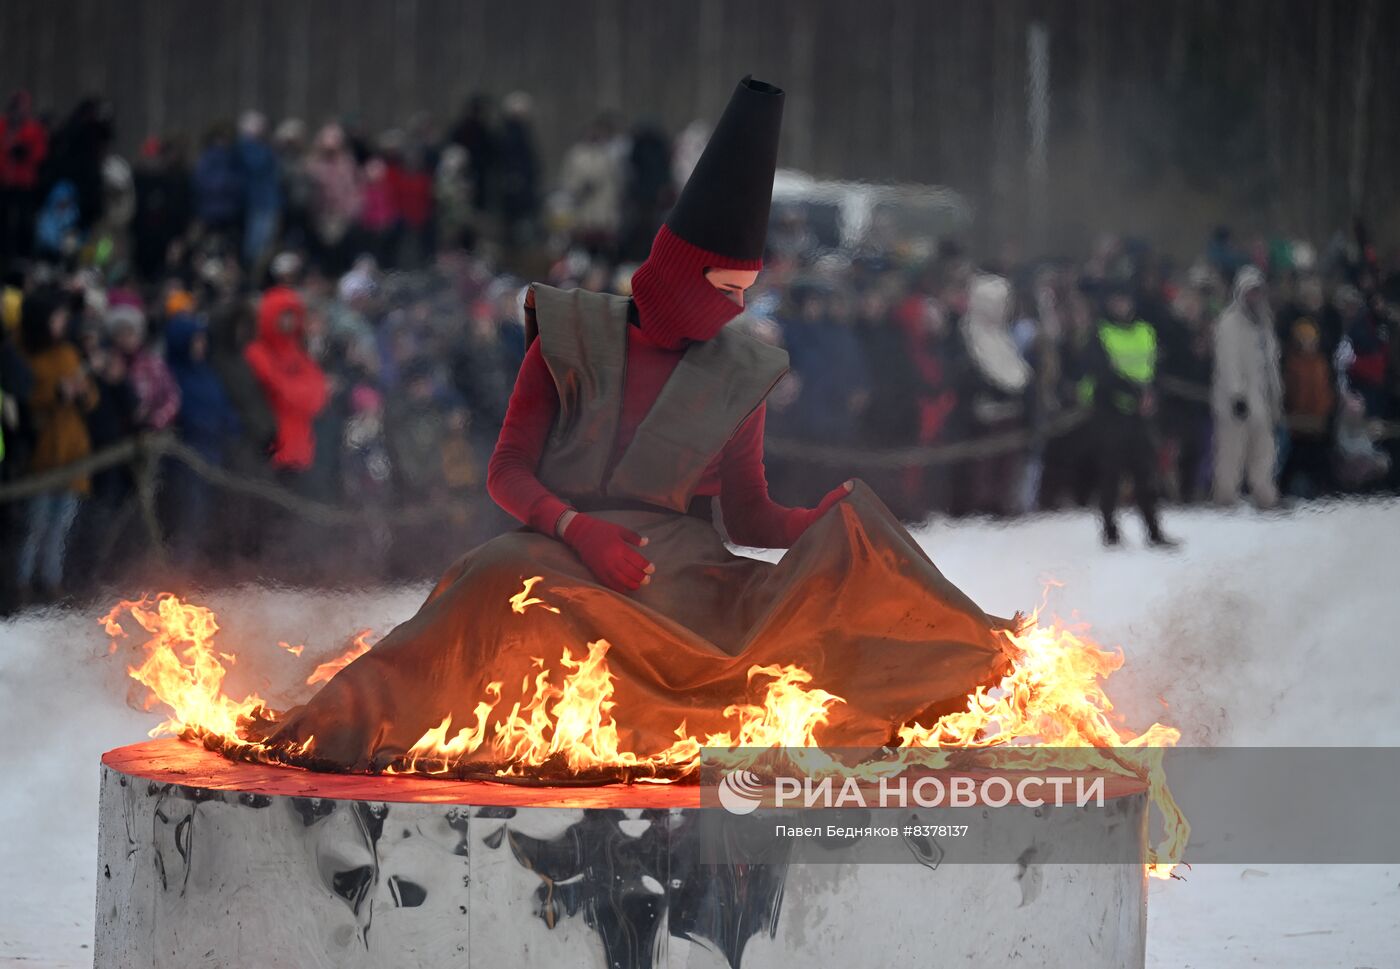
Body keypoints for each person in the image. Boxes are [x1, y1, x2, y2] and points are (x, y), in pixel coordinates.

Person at [263, 77, 1020, 773]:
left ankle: (965, 669)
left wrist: (815, 524)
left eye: (746, 293)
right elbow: (507, 472)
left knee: (783, 637)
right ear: (683, 267)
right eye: (724, 288)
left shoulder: (738, 372)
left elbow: (749, 512)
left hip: (681, 571)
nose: (734, 309)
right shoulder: (571, 336)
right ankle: (351, 724)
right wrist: (576, 528)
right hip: (559, 547)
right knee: (492, 583)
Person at [16, 289, 97, 600]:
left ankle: (51, 582)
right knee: (34, 526)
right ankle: (22, 585)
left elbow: (91, 397)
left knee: (60, 527)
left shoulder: (68, 352)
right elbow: (26, 399)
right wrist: (56, 393)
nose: (62, 323)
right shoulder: (22, 355)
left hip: (74, 450)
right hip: (42, 453)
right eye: (56, 317)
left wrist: (81, 392)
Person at [1083, 279, 1177, 547]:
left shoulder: (1146, 331)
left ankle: (1154, 530)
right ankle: (1111, 531)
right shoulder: (1100, 333)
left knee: (1145, 473)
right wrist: (1137, 393)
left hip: (1141, 413)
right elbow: (1102, 374)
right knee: (1110, 475)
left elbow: (1156, 368)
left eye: (1125, 300)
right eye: (1116, 300)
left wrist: (1153, 393)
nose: (1121, 305)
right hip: (1112, 412)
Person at [1211, 266, 1283, 508]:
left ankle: (1265, 494)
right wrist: (1236, 395)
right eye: (1250, 292)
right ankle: (1225, 496)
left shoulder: (1264, 323)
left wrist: (1277, 393)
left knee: (1264, 450)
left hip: (1261, 397)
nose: (1254, 297)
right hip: (1237, 400)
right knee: (1231, 451)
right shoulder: (1229, 322)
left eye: (1257, 292)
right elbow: (1227, 361)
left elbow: (1271, 363)